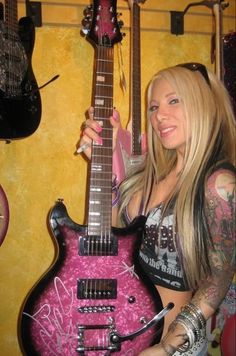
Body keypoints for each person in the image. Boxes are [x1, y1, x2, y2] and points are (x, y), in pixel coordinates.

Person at [78, 62, 236, 355]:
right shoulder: (149, 173)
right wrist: (105, 159)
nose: (159, 116)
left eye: (173, 101)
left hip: (171, 347)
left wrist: (165, 348)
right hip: (121, 334)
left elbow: (219, 279)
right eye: (153, 107)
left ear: (203, 104)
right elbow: (113, 242)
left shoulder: (219, 184)